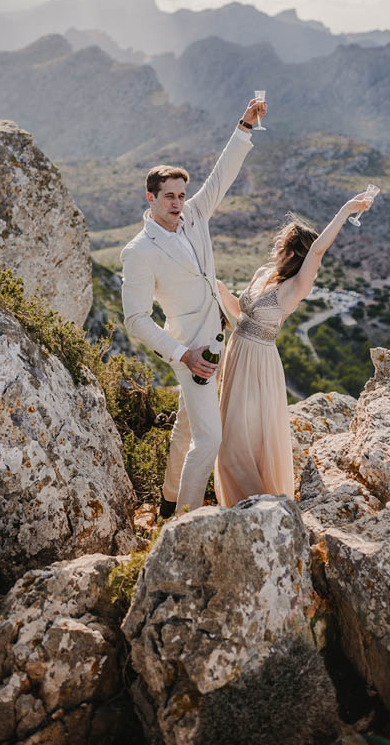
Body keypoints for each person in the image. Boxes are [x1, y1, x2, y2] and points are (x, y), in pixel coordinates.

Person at [120, 98, 264, 518]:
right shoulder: (138, 251)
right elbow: (135, 320)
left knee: (185, 429)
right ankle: (184, 521)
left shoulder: (196, 215)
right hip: (191, 353)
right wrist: (184, 354)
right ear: (150, 197)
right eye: (169, 196)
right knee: (209, 440)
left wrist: (245, 126)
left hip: (220, 336)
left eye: (182, 194)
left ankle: (167, 503)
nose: (178, 202)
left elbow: (223, 175)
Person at [214, 192, 375, 507]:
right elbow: (239, 314)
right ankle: (237, 506)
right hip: (237, 354)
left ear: (294, 253)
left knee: (241, 441)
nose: (275, 246)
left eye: (282, 243)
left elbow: (318, 250)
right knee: (228, 436)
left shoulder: (294, 288)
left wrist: (344, 211)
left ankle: (260, 506)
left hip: (259, 363)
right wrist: (217, 287)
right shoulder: (263, 274)